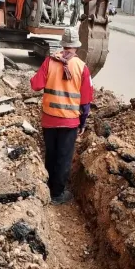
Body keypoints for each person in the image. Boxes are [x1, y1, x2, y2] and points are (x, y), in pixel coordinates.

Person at [30, 27, 93, 205]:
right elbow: (85, 102)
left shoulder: (50, 62)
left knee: (51, 153)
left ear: (63, 44)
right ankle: (57, 194)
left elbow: (35, 85)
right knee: (64, 157)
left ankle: (48, 186)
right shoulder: (82, 67)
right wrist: (82, 123)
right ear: (76, 47)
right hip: (69, 122)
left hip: (49, 119)